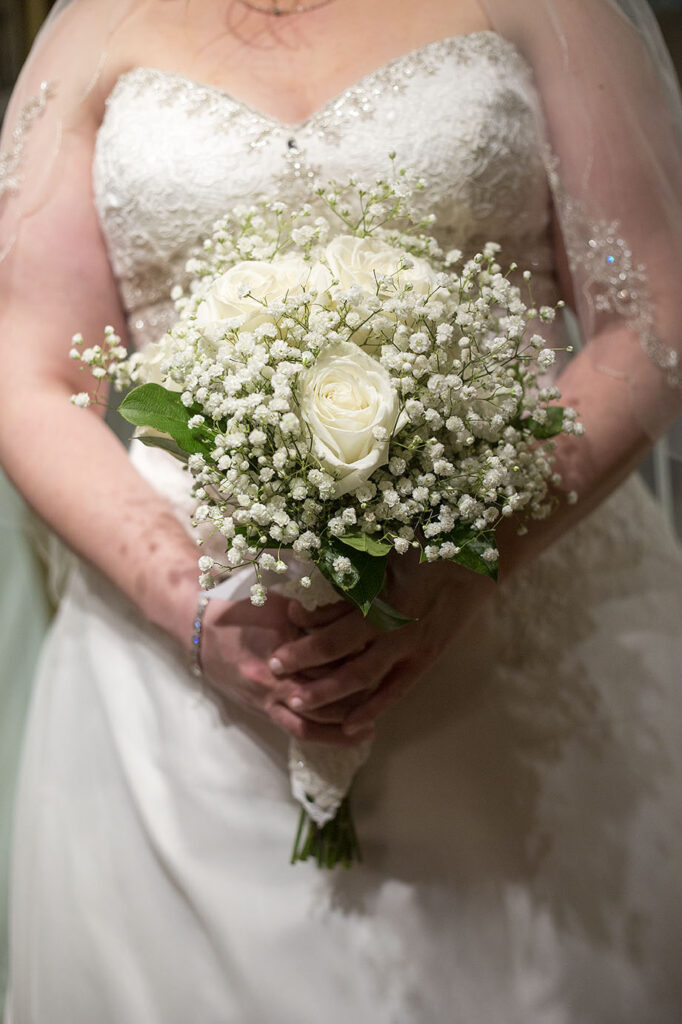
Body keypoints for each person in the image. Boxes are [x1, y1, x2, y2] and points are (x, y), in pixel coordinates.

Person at [1, 0, 681, 1020]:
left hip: (511, 629)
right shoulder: (102, 24)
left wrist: (468, 560)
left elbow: (651, 316)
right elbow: (25, 370)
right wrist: (191, 602)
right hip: (185, 680)